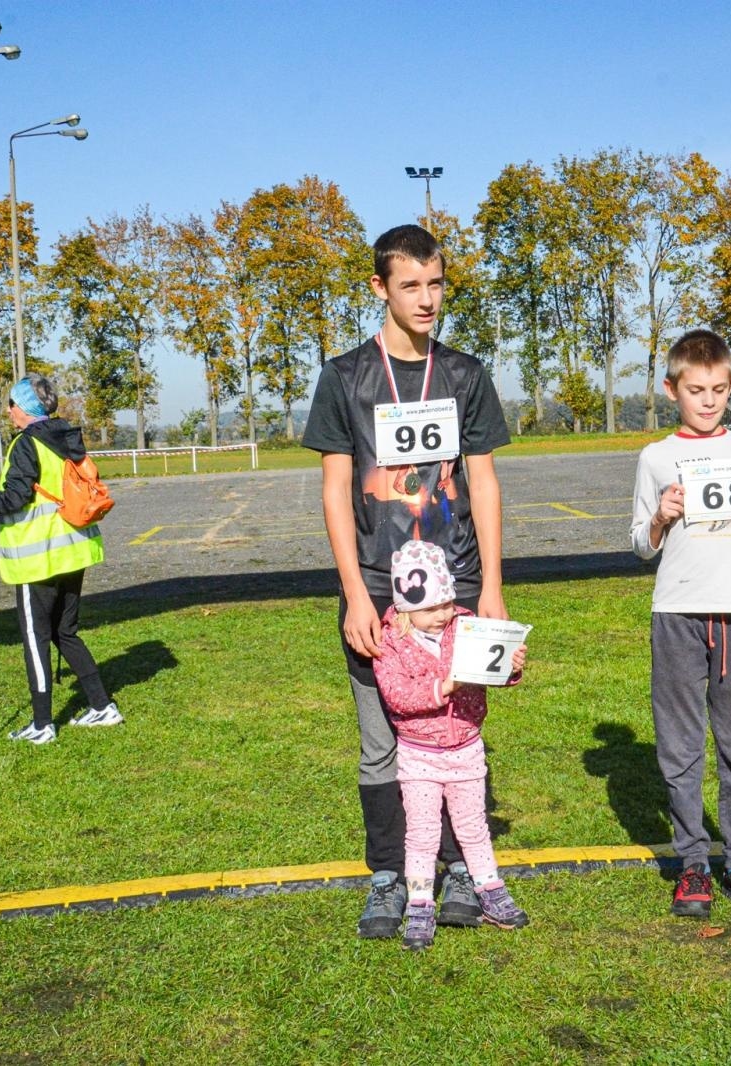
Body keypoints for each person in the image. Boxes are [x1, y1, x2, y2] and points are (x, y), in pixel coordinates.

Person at [302, 224, 512, 939]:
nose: (427, 299)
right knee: (381, 742)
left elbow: (483, 483)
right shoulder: (344, 377)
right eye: (411, 285)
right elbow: (335, 493)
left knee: (456, 728)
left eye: (437, 283)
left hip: (459, 589)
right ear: (380, 289)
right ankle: (391, 877)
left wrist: (492, 587)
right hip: (378, 591)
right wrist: (357, 595)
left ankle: (454, 870)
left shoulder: (466, 375)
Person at [629, 329, 731, 919]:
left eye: (719, 390)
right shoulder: (654, 456)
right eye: (696, 390)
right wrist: (661, 518)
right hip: (677, 612)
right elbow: (639, 544)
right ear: (672, 390)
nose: (708, 400)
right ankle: (692, 863)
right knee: (679, 743)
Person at [0, 375, 121, 744]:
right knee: (65, 632)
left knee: (36, 638)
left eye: (11, 404)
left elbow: (14, 499)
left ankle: (43, 725)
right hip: (75, 550)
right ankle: (102, 706)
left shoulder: (27, 444)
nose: (8, 411)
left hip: (38, 558)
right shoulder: (66, 438)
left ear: (24, 408)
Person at [373, 539, 528, 950]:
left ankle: (491, 891)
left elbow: (492, 671)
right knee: (422, 835)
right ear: (405, 606)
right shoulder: (390, 642)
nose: (442, 614)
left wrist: (510, 668)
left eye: (447, 603)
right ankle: (420, 904)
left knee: (474, 828)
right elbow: (398, 696)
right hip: (418, 755)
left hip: (467, 749)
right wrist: (445, 685)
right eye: (431, 608)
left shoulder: (467, 627)